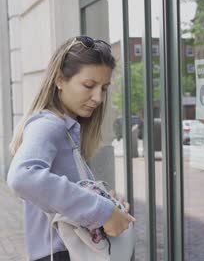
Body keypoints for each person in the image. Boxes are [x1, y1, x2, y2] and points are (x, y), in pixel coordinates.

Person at [7, 36, 135, 261]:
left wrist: (107, 201)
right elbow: (22, 177)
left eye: (104, 88)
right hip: (61, 253)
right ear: (59, 80)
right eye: (89, 85)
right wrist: (102, 211)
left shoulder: (68, 131)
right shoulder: (49, 125)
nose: (98, 98)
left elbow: (64, 196)